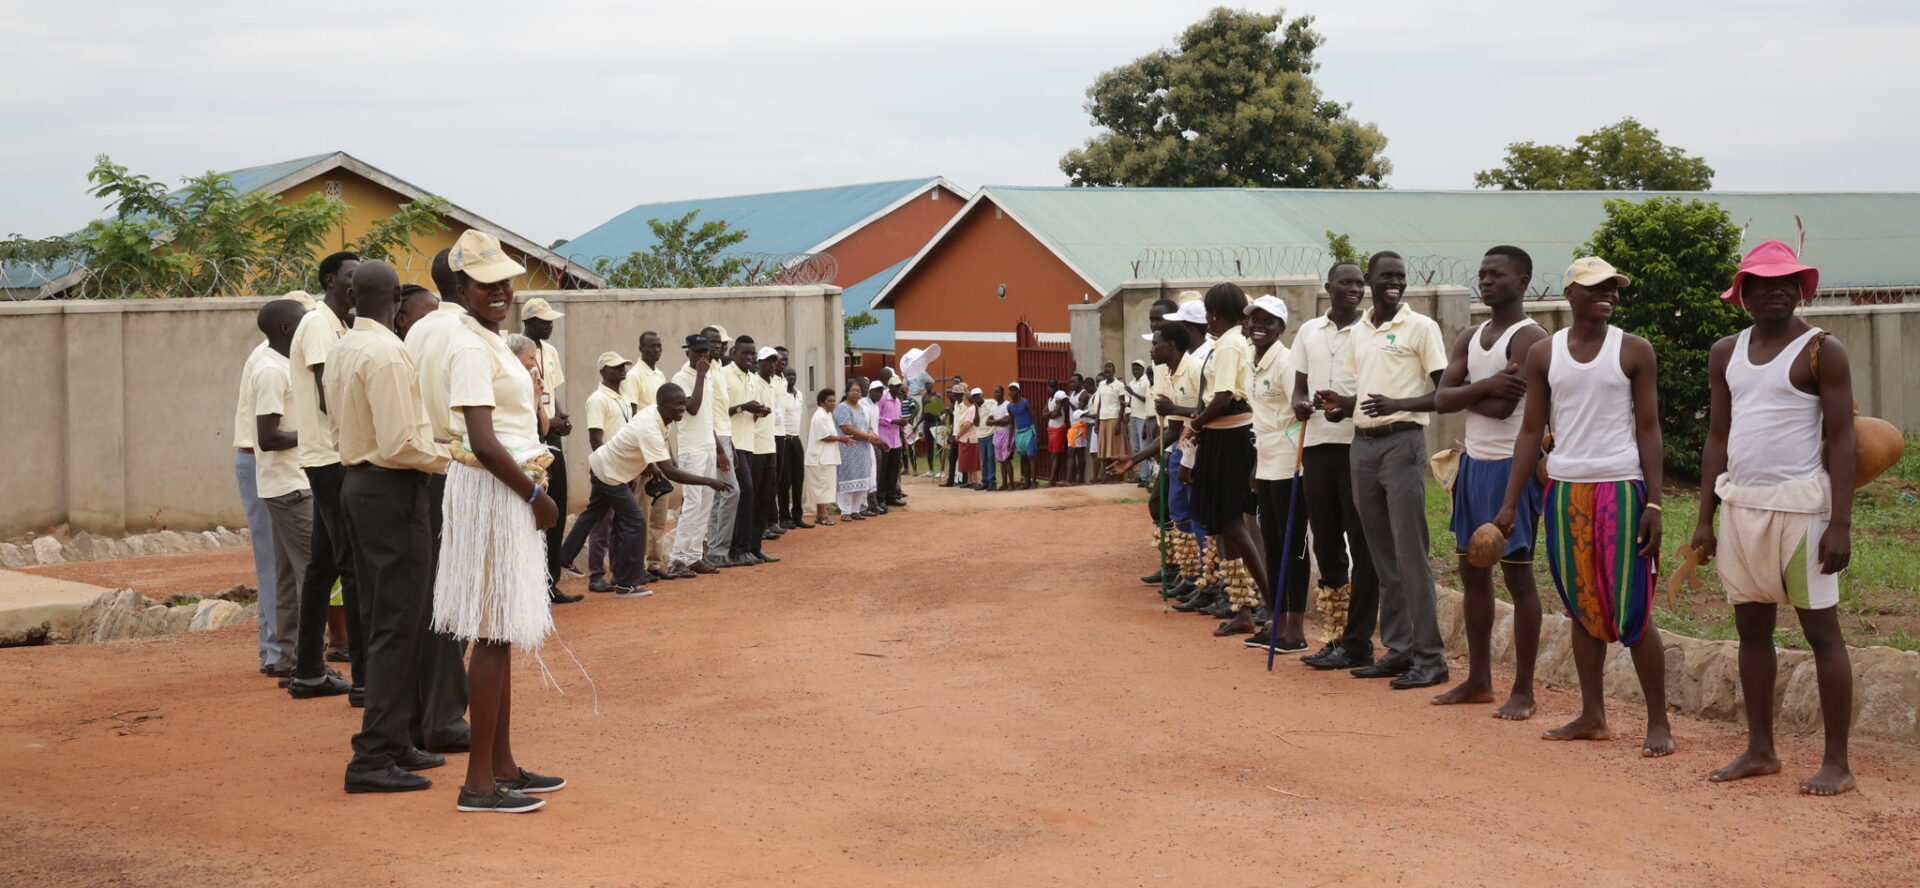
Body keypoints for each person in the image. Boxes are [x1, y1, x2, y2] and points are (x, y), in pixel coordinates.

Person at [1495, 257, 1673, 757]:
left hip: (1621, 487)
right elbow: (1531, 430)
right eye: (1595, 288)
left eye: (1613, 288)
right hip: (1565, 491)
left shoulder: (1634, 350)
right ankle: (1593, 714)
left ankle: (1658, 722)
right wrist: (1511, 503)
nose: (1607, 296)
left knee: (1633, 606)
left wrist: (1655, 502)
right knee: (1580, 603)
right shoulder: (1545, 354)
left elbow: (1648, 428)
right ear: (1568, 292)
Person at [1698, 241, 1856, 795]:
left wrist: (1841, 523)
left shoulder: (1821, 350)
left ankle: (1837, 761)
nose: (1776, 290)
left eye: (1787, 281)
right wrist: (1704, 519)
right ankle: (1760, 750)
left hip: (1802, 510)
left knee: (1822, 634)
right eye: (1762, 282)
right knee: (1751, 629)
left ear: (1802, 288)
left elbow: (1842, 441)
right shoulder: (1725, 352)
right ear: (1741, 293)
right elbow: (1718, 437)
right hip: (1741, 506)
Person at [437, 234, 567, 812]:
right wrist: (536, 496)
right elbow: (483, 442)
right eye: (486, 283)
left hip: (504, 485)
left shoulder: (487, 339)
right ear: (461, 288)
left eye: (506, 282)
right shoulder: (468, 347)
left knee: (503, 628)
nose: (500, 292)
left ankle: (503, 765)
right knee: (491, 631)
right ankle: (477, 785)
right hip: (497, 488)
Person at [324, 259, 453, 794]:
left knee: (386, 618)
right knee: (400, 622)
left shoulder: (345, 346)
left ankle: (395, 740)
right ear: (397, 299)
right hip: (392, 487)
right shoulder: (386, 353)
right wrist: (457, 458)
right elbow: (402, 443)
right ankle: (373, 756)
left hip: (360, 484)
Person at [1427, 246, 1548, 718]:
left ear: (1523, 280)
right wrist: (1484, 386)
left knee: (1518, 578)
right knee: (1472, 571)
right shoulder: (1471, 335)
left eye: (1497, 274)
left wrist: (1464, 394)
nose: (1486, 280)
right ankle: (1478, 680)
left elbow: (1504, 410)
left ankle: (1523, 689)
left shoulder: (1530, 338)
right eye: (1482, 273)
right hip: (1473, 465)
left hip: (1509, 467)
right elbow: (1441, 398)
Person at [1322, 252, 1451, 690]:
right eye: (1386, 276)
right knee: (1380, 554)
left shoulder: (1421, 327)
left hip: (1402, 444)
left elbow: (1445, 389)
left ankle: (1431, 657)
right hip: (1362, 446)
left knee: (1410, 552)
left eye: (1401, 276)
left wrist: (1399, 405)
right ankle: (1399, 650)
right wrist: (1340, 406)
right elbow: (1364, 393)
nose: (1394, 282)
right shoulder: (1360, 332)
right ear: (1371, 280)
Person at [399, 247, 477, 754]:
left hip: (425, 471)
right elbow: (477, 426)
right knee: (456, 598)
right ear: (468, 281)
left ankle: (428, 713)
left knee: (429, 595)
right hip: (460, 470)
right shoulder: (465, 336)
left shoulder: (417, 329)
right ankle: (445, 718)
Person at [565, 381, 734, 599]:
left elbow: (646, 452)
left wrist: (650, 466)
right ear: (662, 404)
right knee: (636, 521)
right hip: (610, 473)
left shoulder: (661, 418)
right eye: (677, 404)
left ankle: (564, 556)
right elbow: (671, 472)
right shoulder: (650, 425)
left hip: (605, 468)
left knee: (592, 515)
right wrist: (710, 481)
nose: (683, 408)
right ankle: (627, 583)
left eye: (684, 403)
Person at [287, 251, 366, 703]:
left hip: (331, 454)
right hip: (330, 456)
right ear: (331, 279)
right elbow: (326, 396)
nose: (357, 284)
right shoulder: (319, 324)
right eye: (351, 276)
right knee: (351, 563)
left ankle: (309, 671)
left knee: (323, 565)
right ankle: (363, 679)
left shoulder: (339, 324)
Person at [1293, 264, 1379, 673]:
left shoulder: (1369, 332)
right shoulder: (1309, 331)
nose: (1355, 289)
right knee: (1325, 541)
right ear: (1327, 287)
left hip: (1355, 446)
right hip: (1315, 448)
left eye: (1360, 283)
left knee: (1360, 544)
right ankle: (1335, 634)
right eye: (1346, 282)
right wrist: (1299, 404)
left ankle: (1359, 641)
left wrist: (1344, 404)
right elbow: (1298, 385)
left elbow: (1376, 386)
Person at [1185, 283, 1268, 637]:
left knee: (1233, 522)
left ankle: (1272, 604)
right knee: (1224, 524)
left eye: (1209, 311)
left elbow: (1222, 398)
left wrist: (1194, 425)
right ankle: (1243, 607)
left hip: (1231, 437)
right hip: (1220, 436)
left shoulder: (1232, 343)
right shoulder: (1228, 342)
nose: (1208, 319)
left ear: (1217, 313)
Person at [247, 298, 313, 683]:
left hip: (291, 483)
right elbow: (269, 437)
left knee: (289, 579)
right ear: (286, 329)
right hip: (289, 487)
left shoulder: (288, 366)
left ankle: (287, 659)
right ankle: (308, 666)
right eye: (302, 322)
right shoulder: (271, 371)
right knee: (312, 575)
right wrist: (316, 437)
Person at [1243, 295, 1310, 651]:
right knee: (1270, 541)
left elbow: (1298, 411)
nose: (1259, 326)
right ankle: (1277, 623)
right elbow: (1260, 419)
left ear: (1281, 327)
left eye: (1268, 321)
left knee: (1292, 545)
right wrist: (1256, 464)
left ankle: (1295, 631)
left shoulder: (1285, 362)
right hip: (1266, 460)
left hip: (1290, 460)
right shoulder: (1252, 362)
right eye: (1255, 319)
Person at [620, 331, 677, 579]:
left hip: (660, 446)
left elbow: (664, 422)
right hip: (644, 451)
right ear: (640, 348)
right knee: (642, 511)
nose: (657, 350)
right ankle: (639, 565)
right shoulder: (634, 376)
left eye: (659, 346)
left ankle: (655, 563)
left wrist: (669, 452)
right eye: (651, 346)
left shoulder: (659, 374)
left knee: (659, 511)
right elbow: (633, 417)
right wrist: (648, 459)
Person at [670, 334, 729, 575]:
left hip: (706, 444)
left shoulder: (709, 376)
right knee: (692, 503)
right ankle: (677, 559)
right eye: (697, 353)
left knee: (706, 502)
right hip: (691, 449)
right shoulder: (680, 378)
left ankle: (694, 555)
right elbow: (691, 409)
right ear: (688, 353)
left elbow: (708, 417)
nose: (703, 357)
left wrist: (719, 449)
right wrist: (702, 376)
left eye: (705, 353)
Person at [578, 352, 635, 593]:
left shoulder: (623, 398)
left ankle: (618, 572)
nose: (621, 370)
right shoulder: (598, 399)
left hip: (624, 468)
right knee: (602, 523)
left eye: (623, 366)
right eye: (615, 367)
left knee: (621, 524)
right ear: (602, 371)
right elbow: (595, 438)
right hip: (607, 469)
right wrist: (606, 466)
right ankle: (596, 575)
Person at [705, 329, 749, 566]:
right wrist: (720, 449)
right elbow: (705, 415)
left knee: (719, 495)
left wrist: (729, 446)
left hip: (725, 436)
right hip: (712, 439)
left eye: (722, 344)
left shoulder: (717, 371)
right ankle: (718, 549)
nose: (720, 347)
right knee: (733, 491)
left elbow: (722, 412)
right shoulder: (702, 373)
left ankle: (714, 548)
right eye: (715, 343)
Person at [747, 345, 783, 560]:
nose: (772, 365)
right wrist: (759, 412)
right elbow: (749, 415)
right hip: (755, 448)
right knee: (754, 499)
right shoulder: (754, 383)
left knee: (765, 499)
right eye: (768, 361)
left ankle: (756, 546)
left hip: (770, 445)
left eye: (774, 361)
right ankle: (747, 546)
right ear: (759, 363)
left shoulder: (772, 386)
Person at [834, 381, 881, 518]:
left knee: (861, 479)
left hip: (863, 450)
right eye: (853, 390)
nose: (856, 393)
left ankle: (855, 510)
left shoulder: (862, 408)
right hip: (848, 448)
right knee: (848, 478)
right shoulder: (842, 408)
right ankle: (845, 511)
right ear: (847, 393)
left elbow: (868, 427)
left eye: (858, 391)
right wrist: (867, 437)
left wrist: (873, 437)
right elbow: (847, 429)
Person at [805, 388, 850, 525]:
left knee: (825, 486)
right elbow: (824, 437)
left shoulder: (828, 415)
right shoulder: (819, 416)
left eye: (834, 400)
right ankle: (823, 516)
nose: (833, 403)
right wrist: (842, 439)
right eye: (829, 401)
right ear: (821, 403)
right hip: (819, 458)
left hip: (827, 458)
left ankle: (820, 515)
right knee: (821, 487)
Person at [778, 363, 811, 529]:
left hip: (796, 440)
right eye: (788, 375)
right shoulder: (779, 395)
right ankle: (784, 517)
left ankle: (798, 515)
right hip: (783, 440)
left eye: (793, 375)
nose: (791, 378)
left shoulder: (800, 394)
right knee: (784, 481)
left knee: (799, 479)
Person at [875, 377, 907, 506]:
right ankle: (881, 497)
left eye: (899, 386)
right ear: (890, 386)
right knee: (883, 469)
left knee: (894, 469)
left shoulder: (898, 401)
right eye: (895, 386)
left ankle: (892, 496)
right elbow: (877, 417)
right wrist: (892, 421)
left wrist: (901, 423)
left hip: (896, 439)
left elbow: (898, 417)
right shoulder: (883, 399)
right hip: (884, 438)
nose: (897, 388)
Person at [1121, 360, 1154, 485]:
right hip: (1133, 416)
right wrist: (1127, 404)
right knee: (1135, 448)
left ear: (1142, 369)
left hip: (1143, 417)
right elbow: (1134, 400)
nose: (1134, 371)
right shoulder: (1131, 383)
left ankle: (1145, 477)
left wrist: (1133, 393)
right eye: (1133, 369)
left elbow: (1148, 400)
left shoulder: (1146, 381)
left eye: (1137, 369)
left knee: (1143, 448)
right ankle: (1139, 475)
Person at [1094, 362, 1127, 482]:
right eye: (1105, 372)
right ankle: (1107, 475)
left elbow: (1122, 405)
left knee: (1115, 450)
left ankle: (1117, 476)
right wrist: (1097, 421)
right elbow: (1100, 404)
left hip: (1114, 418)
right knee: (1104, 450)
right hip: (1103, 418)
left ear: (1114, 371)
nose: (1107, 374)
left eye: (1109, 371)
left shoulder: (1119, 385)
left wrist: (1119, 422)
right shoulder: (1101, 384)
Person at [1004, 382, 1036, 489]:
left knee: (1031, 456)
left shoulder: (1025, 402)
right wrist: (1009, 441)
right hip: (1019, 433)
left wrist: (1037, 435)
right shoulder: (1010, 407)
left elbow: (1034, 417)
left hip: (1029, 431)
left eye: (1013, 390)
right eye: (1010, 390)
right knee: (1023, 459)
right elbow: (1012, 423)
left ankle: (1034, 482)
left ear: (1018, 391)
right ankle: (1027, 482)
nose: (1011, 392)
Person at [953, 387, 982, 487]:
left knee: (972, 460)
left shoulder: (971, 409)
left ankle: (976, 481)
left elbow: (967, 425)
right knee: (968, 460)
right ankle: (970, 481)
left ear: (966, 400)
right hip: (966, 438)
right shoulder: (970, 409)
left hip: (969, 437)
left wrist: (958, 435)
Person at [988, 385, 1014, 490]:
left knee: (1007, 459)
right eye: (994, 392)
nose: (996, 394)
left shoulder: (1007, 405)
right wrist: (998, 421)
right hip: (997, 434)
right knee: (1001, 461)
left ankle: (1011, 483)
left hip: (1006, 434)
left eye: (998, 392)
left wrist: (994, 421)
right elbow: (987, 421)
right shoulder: (993, 407)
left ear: (1002, 393)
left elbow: (1006, 421)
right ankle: (1004, 483)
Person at [972, 387, 997, 491]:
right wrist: (977, 409)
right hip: (981, 436)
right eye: (974, 397)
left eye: (978, 396)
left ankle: (992, 482)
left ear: (982, 395)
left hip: (991, 434)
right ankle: (985, 481)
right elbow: (976, 422)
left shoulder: (991, 402)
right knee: (984, 459)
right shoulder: (975, 408)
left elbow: (997, 411)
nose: (976, 398)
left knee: (991, 458)